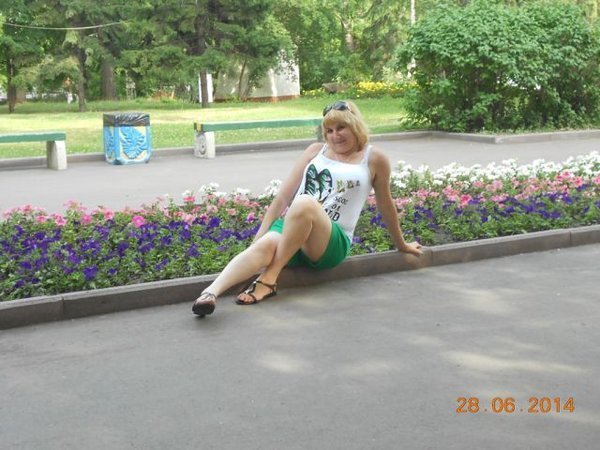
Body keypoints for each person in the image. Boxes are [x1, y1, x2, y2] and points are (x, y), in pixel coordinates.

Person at [192, 100, 423, 317]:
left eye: (341, 128)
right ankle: (210, 293)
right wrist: (259, 236)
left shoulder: (374, 159)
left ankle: (269, 278)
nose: (335, 136)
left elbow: (385, 203)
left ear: (356, 126)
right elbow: (283, 197)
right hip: (294, 228)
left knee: (304, 202)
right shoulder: (315, 151)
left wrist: (401, 244)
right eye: (329, 130)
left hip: (330, 241)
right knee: (265, 244)